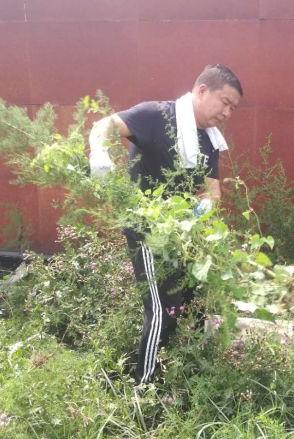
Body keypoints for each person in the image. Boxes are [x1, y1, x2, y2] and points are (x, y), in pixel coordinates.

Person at [88, 64, 243, 385]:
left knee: (190, 305)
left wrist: (201, 210)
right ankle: (143, 390)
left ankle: (181, 379)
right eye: (225, 103)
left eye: (233, 108)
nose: (228, 113)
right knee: (160, 309)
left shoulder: (209, 140)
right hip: (145, 230)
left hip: (182, 235)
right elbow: (105, 125)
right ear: (202, 91)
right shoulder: (157, 116)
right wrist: (99, 152)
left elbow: (212, 192)